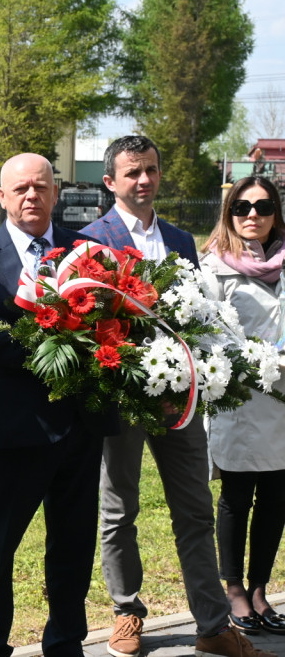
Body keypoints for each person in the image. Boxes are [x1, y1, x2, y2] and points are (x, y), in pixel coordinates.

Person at [81, 135, 273, 657]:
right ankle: (126, 611)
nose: (143, 180)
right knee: (119, 508)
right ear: (110, 182)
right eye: (131, 172)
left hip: (180, 397)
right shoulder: (88, 240)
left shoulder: (182, 241)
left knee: (194, 509)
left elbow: (196, 320)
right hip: (121, 398)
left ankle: (212, 627)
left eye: (150, 170)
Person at [0, 152, 116, 657]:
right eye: (20, 188)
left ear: (56, 192)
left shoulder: (90, 253)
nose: (31, 196)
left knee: (72, 544)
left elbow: (113, 323)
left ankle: (66, 640)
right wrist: (61, 345)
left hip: (80, 427)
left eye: (41, 187)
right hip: (13, 428)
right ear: (1, 196)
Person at [201, 176, 285, 637]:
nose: (253, 214)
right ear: (229, 211)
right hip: (240, 398)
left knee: (276, 499)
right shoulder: (213, 267)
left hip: (284, 403)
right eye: (242, 206)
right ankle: (233, 589)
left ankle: (258, 589)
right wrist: (258, 359)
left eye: (264, 206)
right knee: (237, 497)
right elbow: (207, 332)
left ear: (276, 212)